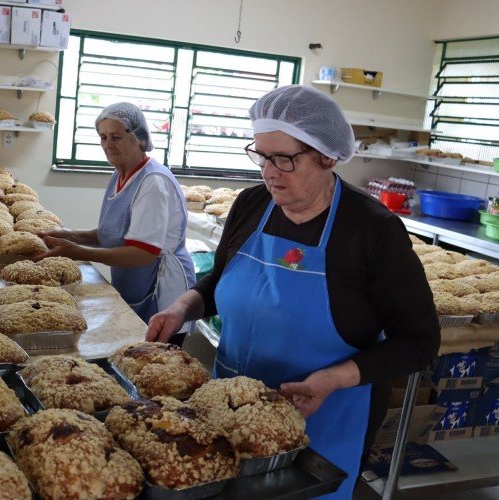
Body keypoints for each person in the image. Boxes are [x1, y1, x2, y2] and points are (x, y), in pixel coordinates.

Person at [145, 85, 440, 498]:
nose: (269, 172)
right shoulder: (251, 205)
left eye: (284, 159)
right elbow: (224, 279)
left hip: (324, 420)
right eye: (262, 156)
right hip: (230, 409)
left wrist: (331, 380)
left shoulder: (373, 231)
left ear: (327, 157)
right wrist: (182, 307)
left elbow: (420, 341)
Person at [37, 102, 196, 340]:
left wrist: (79, 252)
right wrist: (68, 234)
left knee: (155, 364)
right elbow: (115, 232)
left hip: (160, 289)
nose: (108, 145)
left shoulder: (153, 183)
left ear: (139, 138)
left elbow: (144, 253)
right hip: (135, 280)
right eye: (103, 137)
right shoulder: (121, 173)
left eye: (116, 137)